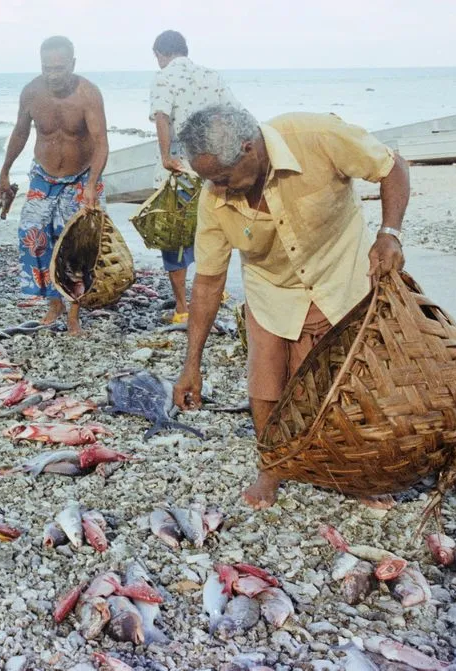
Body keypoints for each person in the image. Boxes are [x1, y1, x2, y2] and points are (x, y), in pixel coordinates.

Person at [170, 105, 410, 510]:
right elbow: (208, 282)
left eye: (222, 178)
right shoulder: (213, 198)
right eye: (209, 179)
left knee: (354, 384)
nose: (217, 188)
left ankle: (358, 472)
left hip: (341, 273)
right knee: (266, 383)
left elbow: (392, 167)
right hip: (273, 288)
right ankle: (273, 466)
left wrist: (389, 234)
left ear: (249, 148)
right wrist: (191, 363)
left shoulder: (316, 135)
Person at [0, 36, 108, 335]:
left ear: (72, 64)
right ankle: (53, 302)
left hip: (81, 177)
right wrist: (4, 172)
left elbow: (100, 143)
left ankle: (74, 312)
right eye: (47, 68)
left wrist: (91, 186)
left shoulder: (88, 94)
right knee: (33, 235)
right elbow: (20, 133)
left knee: (75, 245)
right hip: (43, 175)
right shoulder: (32, 92)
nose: (53, 74)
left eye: (59, 68)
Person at [149, 30, 240, 326]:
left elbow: (162, 116)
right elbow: (234, 114)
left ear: (161, 54)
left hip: (182, 165)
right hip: (215, 165)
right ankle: (219, 291)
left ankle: (183, 306)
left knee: (174, 234)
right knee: (213, 227)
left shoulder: (164, 78)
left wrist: (165, 157)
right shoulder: (212, 76)